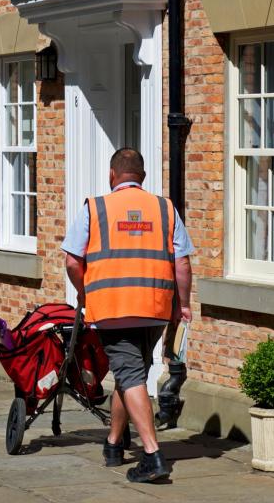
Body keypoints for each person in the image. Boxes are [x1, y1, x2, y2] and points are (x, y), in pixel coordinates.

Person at [62, 147, 194, 483]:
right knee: (131, 371)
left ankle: (152, 454)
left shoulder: (95, 208)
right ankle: (113, 444)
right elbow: (182, 263)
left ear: (112, 175)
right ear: (143, 177)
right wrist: (184, 304)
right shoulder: (166, 208)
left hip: (113, 308)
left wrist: (83, 291)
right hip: (154, 308)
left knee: (131, 374)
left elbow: (72, 261)